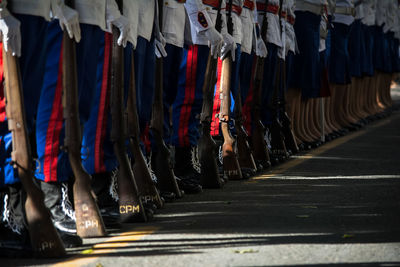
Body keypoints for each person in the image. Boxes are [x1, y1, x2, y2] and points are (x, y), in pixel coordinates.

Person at [0, 0, 83, 253]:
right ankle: (10, 211)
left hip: (39, 9)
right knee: (8, 113)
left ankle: (26, 207)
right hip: (17, 8)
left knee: (31, 114)